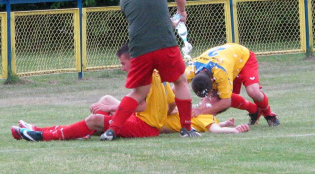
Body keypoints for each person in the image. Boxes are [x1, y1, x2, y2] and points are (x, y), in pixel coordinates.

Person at [11, 44, 248, 141]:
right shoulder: (164, 77)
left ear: (134, 61)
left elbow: (146, 105)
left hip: (147, 126)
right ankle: (39, 128)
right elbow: (168, 105)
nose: (123, 68)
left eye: (124, 63)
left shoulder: (148, 74)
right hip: (145, 120)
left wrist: (229, 128)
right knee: (102, 108)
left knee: (96, 118)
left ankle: (43, 135)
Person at [101, 0, 200, 140]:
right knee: (180, 81)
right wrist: (181, 12)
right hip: (165, 43)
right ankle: (186, 128)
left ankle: (112, 130)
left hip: (139, 48)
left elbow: (143, 22)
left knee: (139, 92)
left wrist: (171, 22)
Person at [185, 43, 280, 127]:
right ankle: (254, 110)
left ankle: (268, 114)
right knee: (212, 101)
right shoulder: (191, 69)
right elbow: (176, 87)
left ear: (212, 79)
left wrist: (201, 111)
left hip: (243, 57)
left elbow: (226, 101)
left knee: (253, 92)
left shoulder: (221, 72)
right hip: (226, 61)